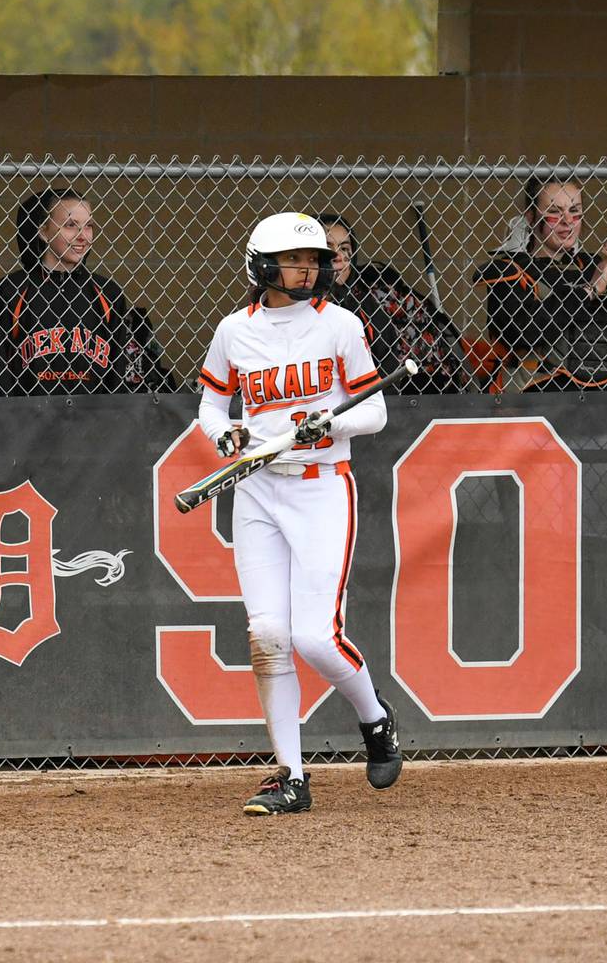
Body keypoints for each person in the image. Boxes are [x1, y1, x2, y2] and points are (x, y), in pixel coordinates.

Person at [196, 212, 402, 815]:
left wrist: (327, 422)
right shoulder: (234, 330)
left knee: (314, 636)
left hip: (320, 488)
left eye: (314, 260)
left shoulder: (339, 325)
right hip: (258, 490)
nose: (309, 268)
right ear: (264, 266)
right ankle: (290, 774)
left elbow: (375, 412)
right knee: (267, 636)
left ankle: (374, 716)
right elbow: (211, 404)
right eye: (296, 260)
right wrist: (226, 436)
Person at [0, 187, 142, 395]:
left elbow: (118, 376)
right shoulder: (10, 290)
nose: (83, 236)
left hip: (93, 421)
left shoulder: (107, 293)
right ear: (43, 231)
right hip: (28, 420)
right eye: (70, 225)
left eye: (89, 226)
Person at [475, 176, 607, 390]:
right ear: (531, 217)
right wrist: (588, 290)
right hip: (539, 400)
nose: (567, 220)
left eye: (575, 210)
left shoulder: (600, 265)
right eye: (555, 212)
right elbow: (523, 332)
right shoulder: (510, 270)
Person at [318, 213, 463, 394]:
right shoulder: (291, 306)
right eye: (327, 247)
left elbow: (387, 368)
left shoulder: (365, 306)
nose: (338, 256)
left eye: (345, 248)